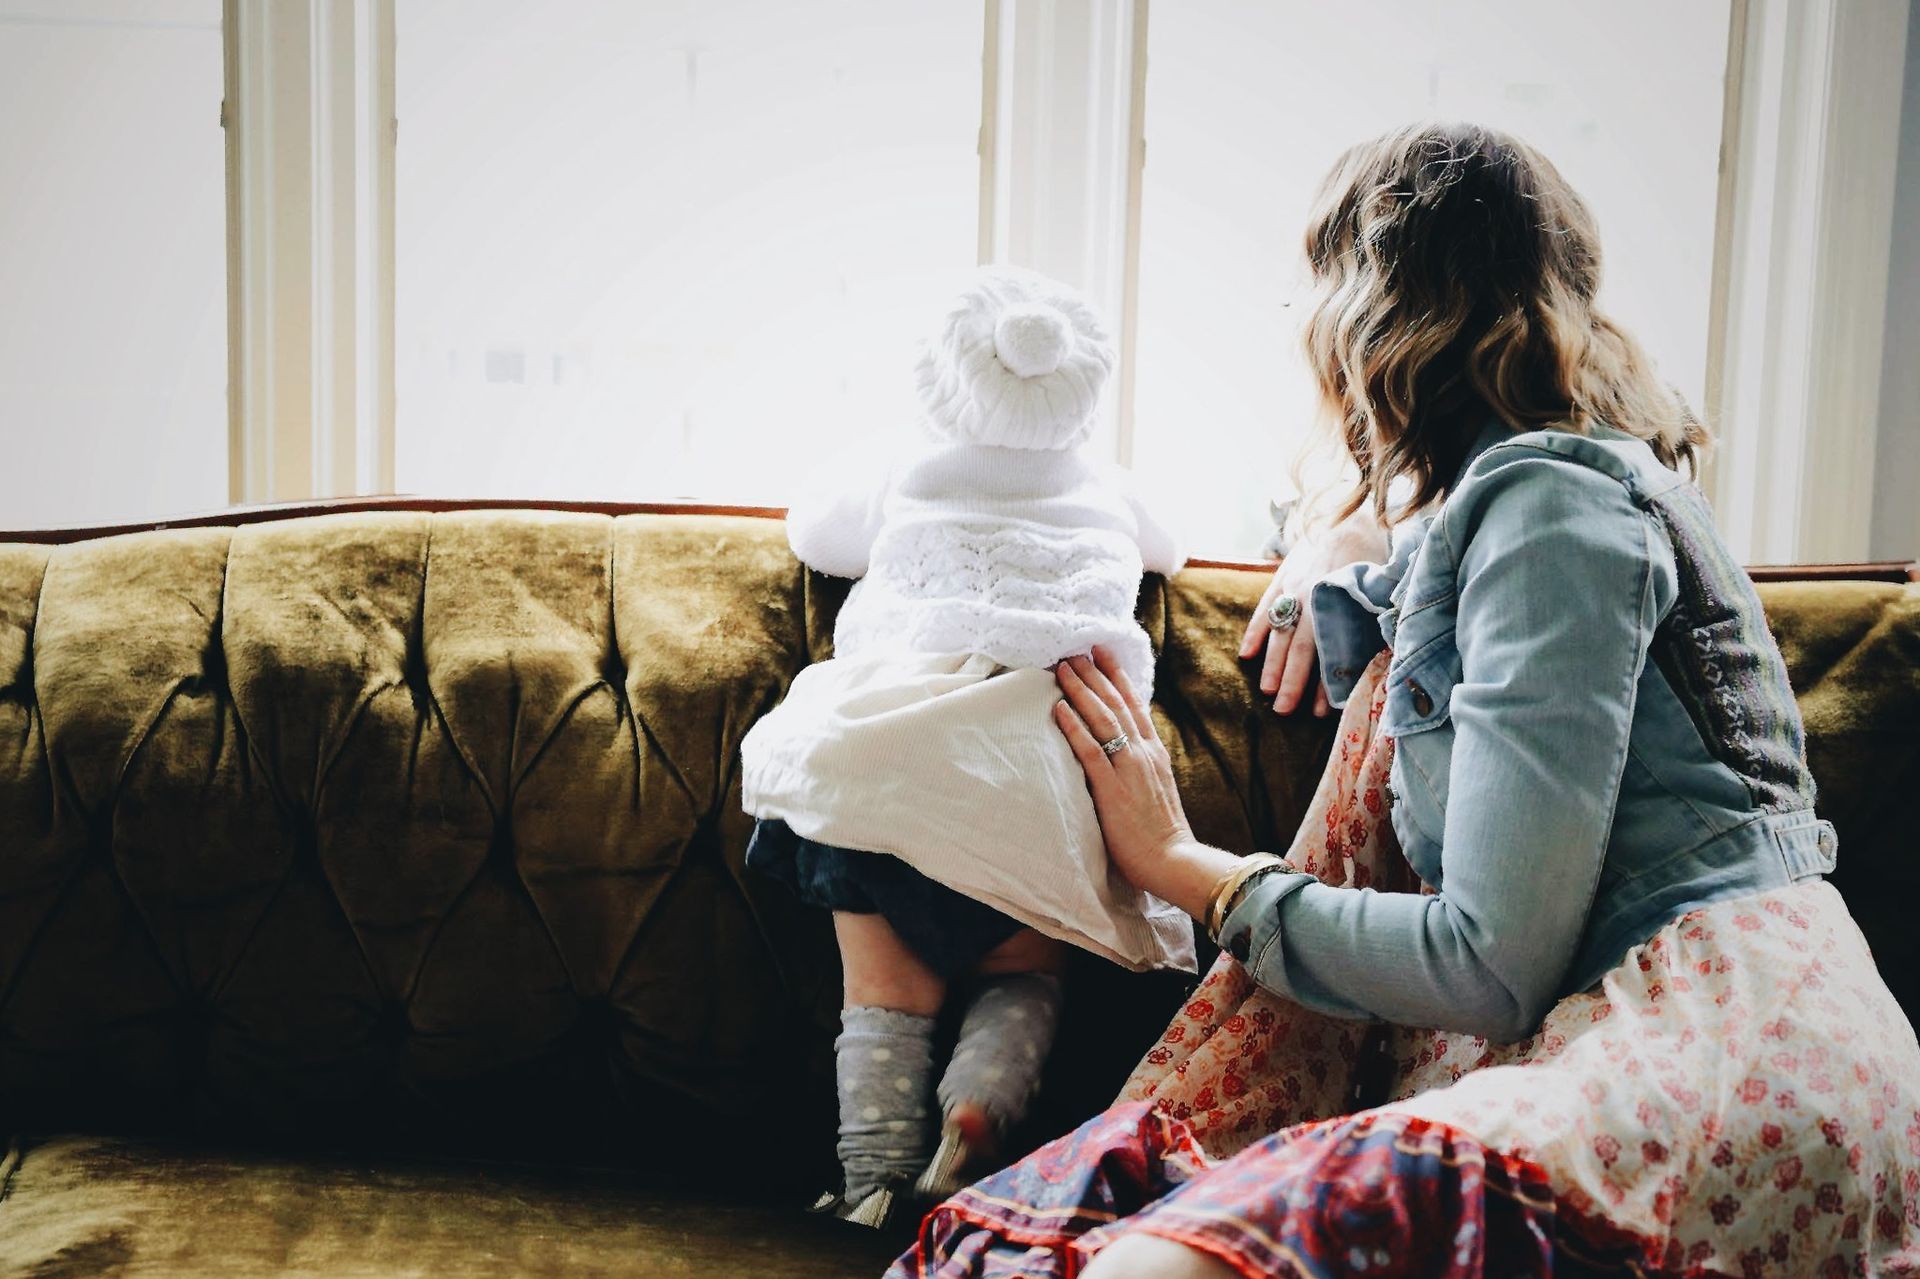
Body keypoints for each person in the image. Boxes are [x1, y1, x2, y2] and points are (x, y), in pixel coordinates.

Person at [892, 122, 1920, 1278]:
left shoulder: (1551, 510)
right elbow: (1443, 576)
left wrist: (1182, 865)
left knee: (1177, 1252)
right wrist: (1342, 524)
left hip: (1724, 1044)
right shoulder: (1554, 489)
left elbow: (1490, 966)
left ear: (1365, 316)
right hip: (1721, 1028)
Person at [739, 266, 1195, 1230]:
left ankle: (872, 1180)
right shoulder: (1106, 482)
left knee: (885, 994)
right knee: (1024, 970)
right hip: (1044, 757)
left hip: (896, 754)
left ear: (939, 388)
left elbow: (814, 531)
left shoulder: (906, 462)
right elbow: (1174, 545)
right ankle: (981, 1107)